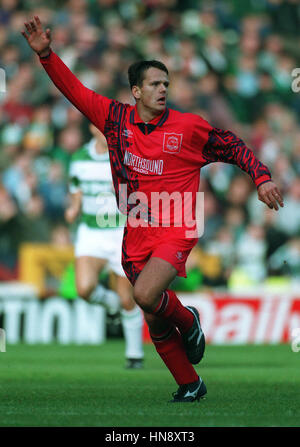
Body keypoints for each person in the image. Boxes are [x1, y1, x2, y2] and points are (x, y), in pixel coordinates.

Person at [21, 16, 284, 403]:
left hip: (178, 222)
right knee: (154, 316)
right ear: (136, 91)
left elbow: (231, 144)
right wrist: (46, 56)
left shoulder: (188, 127)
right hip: (136, 228)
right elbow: (74, 90)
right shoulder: (114, 119)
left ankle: (190, 320)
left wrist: (260, 177)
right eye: (155, 84)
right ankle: (190, 384)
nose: (163, 90)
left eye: (166, 84)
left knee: (144, 295)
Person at [65, 123, 144, 369]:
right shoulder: (78, 159)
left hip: (120, 230)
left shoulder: (124, 156)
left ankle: (134, 355)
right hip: (91, 231)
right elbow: (77, 191)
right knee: (84, 289)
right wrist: (73, 209)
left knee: (126, 297)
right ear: (90, 127)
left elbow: (138, 196)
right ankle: (110, 304)